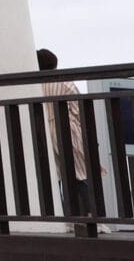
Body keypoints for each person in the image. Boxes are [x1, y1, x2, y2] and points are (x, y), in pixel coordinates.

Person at [38, 48, 93, 221]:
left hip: (46, 132)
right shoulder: (64, 83)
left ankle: (65, 218)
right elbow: (78, 111)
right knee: (79, 174)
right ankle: (89, 217)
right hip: (67, 128)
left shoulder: (36, 84)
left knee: (57, 177)